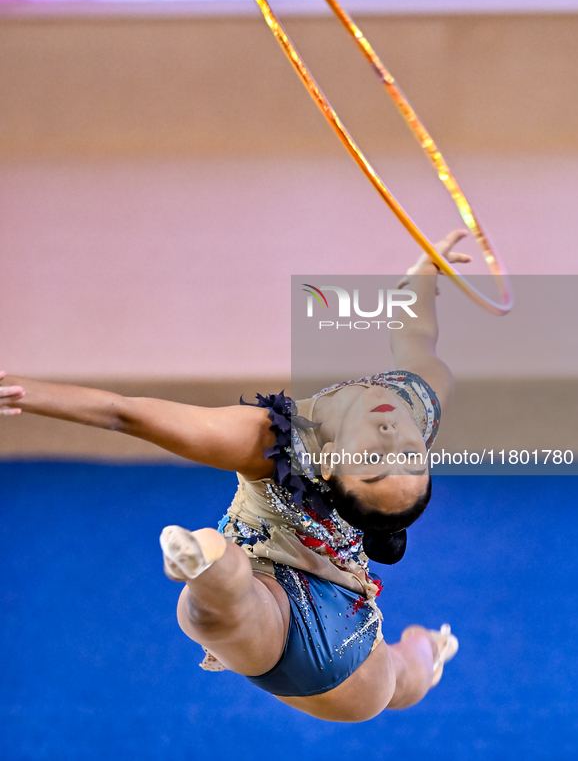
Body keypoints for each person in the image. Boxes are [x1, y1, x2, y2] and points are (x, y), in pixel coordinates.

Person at [1, 230, 469, 723]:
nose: (394, 441)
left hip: (337, 632)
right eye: (410, 455)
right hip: (275, 583)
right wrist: (422, 278)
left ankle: (209, 563)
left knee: (387, 674)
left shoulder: (268, 442)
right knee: (378, 657)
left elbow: (127, 414)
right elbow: (415, 337)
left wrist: (18, 391)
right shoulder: (417, 403)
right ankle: (210, 564)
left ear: (331, 462)